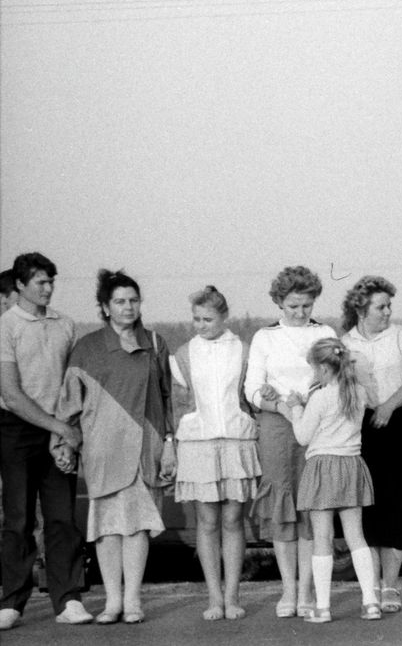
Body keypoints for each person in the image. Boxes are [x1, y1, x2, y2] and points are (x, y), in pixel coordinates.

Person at [52, 269, 174, 624]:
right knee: (107, 527)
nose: (128, 307)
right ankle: (112, 602)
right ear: (105, 307)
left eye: (133, 300)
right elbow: (68, 404)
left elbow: (167, 400)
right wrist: (62, 444)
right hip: (102, 448)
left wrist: (169, 443)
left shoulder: (154, 342)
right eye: (119, 301)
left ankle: (133, 601)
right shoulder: (87, 348)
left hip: (144, 447)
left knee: (136, 526)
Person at [0, 253, 92, 629]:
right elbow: (11, 393)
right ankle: (12, 601)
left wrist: (65, 435)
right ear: (20, 285)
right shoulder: (5, 326)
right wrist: (60, 428)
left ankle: (68, 599)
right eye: (40, 282)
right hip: (15, 429)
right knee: (18, 517)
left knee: (61, 518)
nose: (48, 288)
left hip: (59, 432)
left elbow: (73, 388)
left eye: (51, 281)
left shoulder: (65, 324)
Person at [243, 265, 335, 618]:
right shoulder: (265, 337)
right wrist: (279, 403)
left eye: (306, 306)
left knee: (311, 506)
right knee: (283, 505)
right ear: (279, 303)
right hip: (277, 427)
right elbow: (252, 389)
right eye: (293, 306)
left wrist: (308, 401)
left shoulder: (325, 332)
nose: (300, 313)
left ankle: (307, 591)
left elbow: (333, 379)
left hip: (316, 425)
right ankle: (288, 591)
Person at [170, 286, 259, 621]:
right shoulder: (183, 353)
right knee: (206, 523)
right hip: (199, 444)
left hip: (236, 441)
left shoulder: (244, 350)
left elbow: (251, 397)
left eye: (208, 319)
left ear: (224, 317)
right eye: (196, 319)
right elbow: (178, 403)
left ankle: (233, 595)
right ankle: (214, 598)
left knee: (234, 520)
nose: (201, 325)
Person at [340, 276, 402, 614]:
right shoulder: (345, 342)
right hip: (361, 429)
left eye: (389, 305)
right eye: (381, 306)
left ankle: (391, 585)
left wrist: (389, 406)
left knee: (398, 505)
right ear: (361, 309)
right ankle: (371, 586)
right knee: (369, 508)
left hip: (399, 423)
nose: (388, 312)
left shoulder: (401, 336)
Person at [282, 338, 380, 623]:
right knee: (356, 537)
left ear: (324, 369)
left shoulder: (320, 397)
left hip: (322, 467)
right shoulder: (359, 393)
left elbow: (302, 436)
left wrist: (296, 408)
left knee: (322, 538)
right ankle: (370, 601)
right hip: (351, 466)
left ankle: (323, 607)